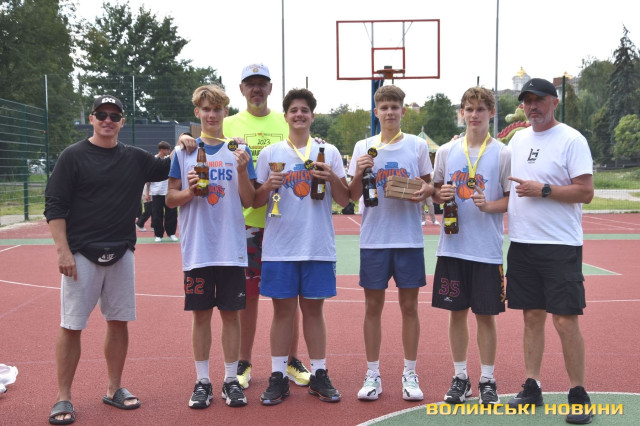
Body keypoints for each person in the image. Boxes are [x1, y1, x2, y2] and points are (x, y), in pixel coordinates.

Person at [44, 95, 195, 425]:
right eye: (102, 114)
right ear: (92, 118)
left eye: (114, 115)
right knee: (72, 326)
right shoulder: (72, 156)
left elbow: (169, 166)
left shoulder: (135, 158)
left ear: (122, 122)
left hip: (122, 252)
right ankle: (63, 396)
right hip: (81, 253)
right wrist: (63, 251)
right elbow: (54, 204)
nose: (108, 120)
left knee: (118, 322)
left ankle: (114, 388)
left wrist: (184, 141)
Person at [179, 63, 311, 390]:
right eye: (250, 84)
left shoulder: (285, 120)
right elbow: (202, 140)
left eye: (262, 83)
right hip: (247, 222)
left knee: (288, 297)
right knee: (245, 299)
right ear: (241, 89)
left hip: (284, 222)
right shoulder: (229, 121)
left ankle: (292, 359)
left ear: (270, 87)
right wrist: (185, 138)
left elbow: (305, 145)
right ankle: (243, 362)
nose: (256, 89)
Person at [505, 78, 594, 425]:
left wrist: (543, 190)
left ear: (553, 102)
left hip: (560, 246)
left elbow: (585, 192)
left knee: (565, 319)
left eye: (539, 100)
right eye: (527, 101)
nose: (532, 106)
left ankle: (578, 393)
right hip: (523, 243)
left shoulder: (572, 139)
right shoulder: (517, 139)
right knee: (531, 317)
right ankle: (532, 386)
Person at [253, 88, 349, 405]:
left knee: (314, 311)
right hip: (280, 247)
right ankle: (278, 375)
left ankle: (319, 373)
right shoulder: (270, 154)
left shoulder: (328, 152)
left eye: (304, 110)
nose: (299, 114)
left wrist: (332, 176)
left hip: (317, 245)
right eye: (294, 110)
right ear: (285, 116)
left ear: (312, 116)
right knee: (282, 312)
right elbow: (255, 201)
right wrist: (267, 186)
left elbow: (344, 200)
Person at [166, 84, 255, 409]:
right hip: (198, 248)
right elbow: (170, 199)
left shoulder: (238, 150)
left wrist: (243, 169)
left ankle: (231, 380)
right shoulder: (183, 152)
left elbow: (249, 199)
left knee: (231, 316)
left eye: (217, 109)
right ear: (197, 113)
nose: (212, 115)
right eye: (206, 109)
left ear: (225, 112)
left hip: (231, 247)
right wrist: (190, 192)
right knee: (201, 315)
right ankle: (202, 381)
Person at [348, 85, 434, 401]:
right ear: (376, 112)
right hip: (374, 239)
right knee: (373, 307)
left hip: (409, 239)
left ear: (402, 111)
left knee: (410, 307)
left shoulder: (417, 146)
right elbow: (351, 196)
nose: (389, 112)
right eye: (383, 107)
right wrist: (358, 172)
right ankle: (372, 374)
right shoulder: (363, 146)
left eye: (394, 107)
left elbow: (429, 187)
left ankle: (410, 373)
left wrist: (423, 192)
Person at [431, 87, 510, 406]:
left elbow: (511, 200)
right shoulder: (446, 151)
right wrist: (439, 195)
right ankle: (460, 377)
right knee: (456, 314)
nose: (474, 114)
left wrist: (489, 205)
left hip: (487, 249)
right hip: (452, 247)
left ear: (492, 113)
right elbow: (435, 190)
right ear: (461, 113)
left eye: (480, 109)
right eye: (469, 109)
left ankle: (488, 379)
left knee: (486, 316)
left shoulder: (502, 153)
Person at [149, 140, 179, 242]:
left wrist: (178, 144)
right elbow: (148, 178)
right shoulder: (153, 160)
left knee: (172, 213)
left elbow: (173, 155)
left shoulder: (169, 160)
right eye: (167, 149)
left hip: (168, 191)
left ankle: (171, 233)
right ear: (162, 150)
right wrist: (147, 192)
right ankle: (158, 235)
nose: (168, 151)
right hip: (156, 191)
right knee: (157, 214)